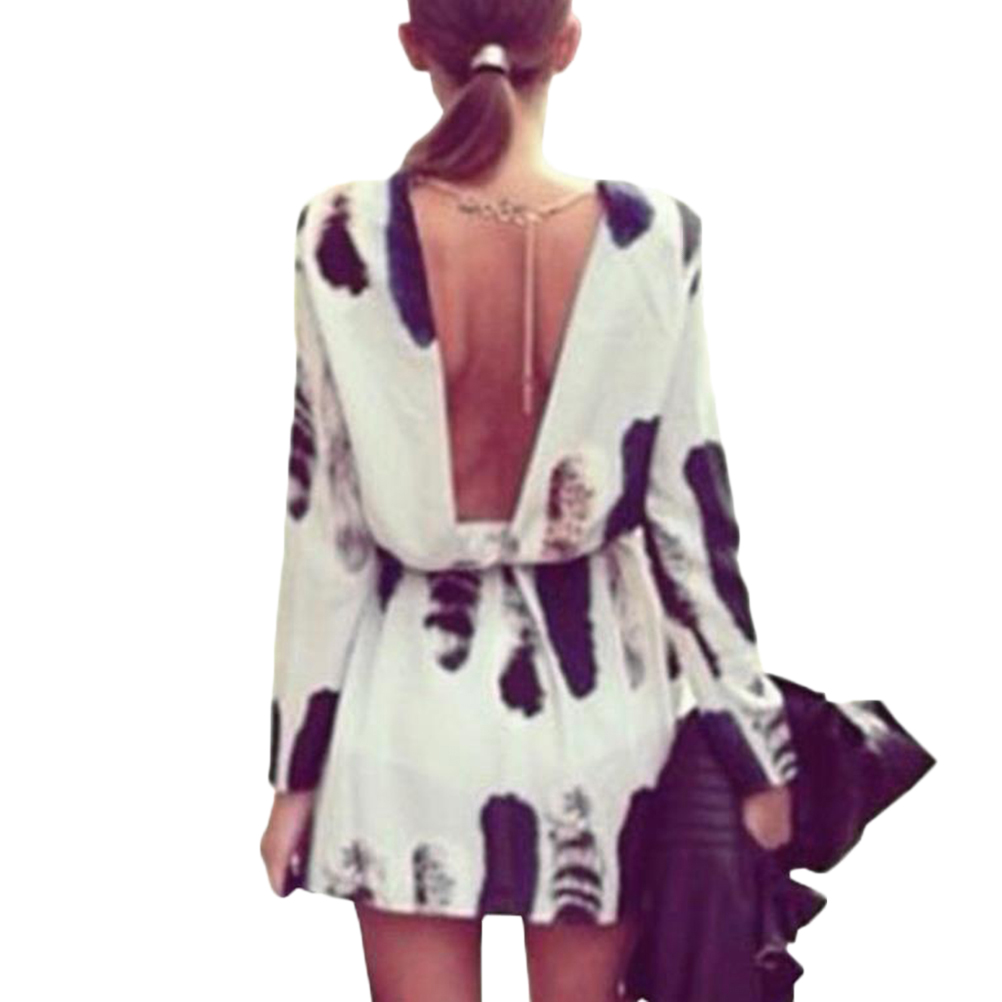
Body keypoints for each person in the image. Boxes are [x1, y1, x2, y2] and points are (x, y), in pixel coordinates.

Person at [260, 3, 799, 1000]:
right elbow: (690, 525)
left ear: (413, 46)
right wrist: (756, 756)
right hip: (598, 732)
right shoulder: (653, 239)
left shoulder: (341, 234)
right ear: (569, 42)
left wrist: (295, 773)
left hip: (406, 723)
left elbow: (324, 530)